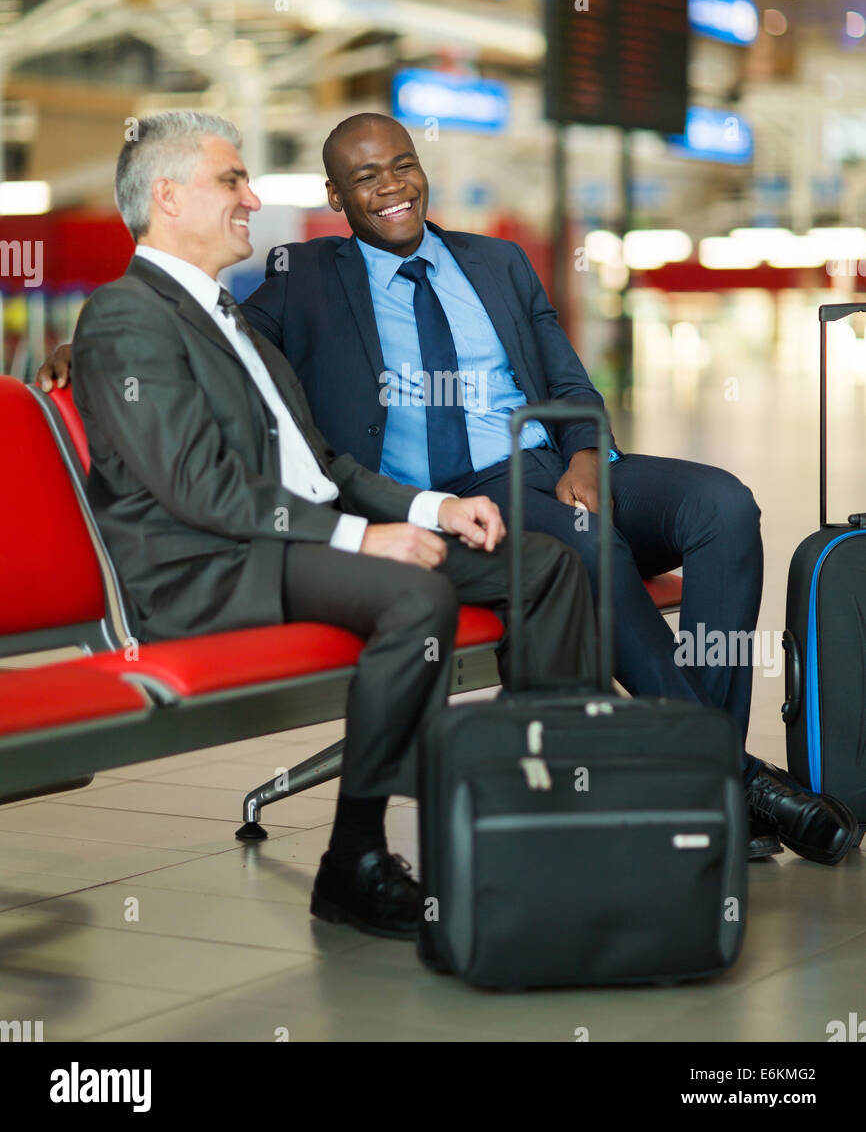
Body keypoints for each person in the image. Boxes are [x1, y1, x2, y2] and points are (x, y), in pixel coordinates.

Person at [40, 111, 860, 869]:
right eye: (365, 178)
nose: (391, 185)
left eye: (403, 166)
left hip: (552, 463)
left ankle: (709, 765)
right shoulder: (304, 278)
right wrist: (82, 345)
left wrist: (584, 448)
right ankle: (732, 781)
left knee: (723, 505)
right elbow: (191, 321)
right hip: (465, 486)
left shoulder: (496, 261)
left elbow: (569, 383)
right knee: (579, 546)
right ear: (334, 197)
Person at [64, 110, 596, 942]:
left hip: (290, 544)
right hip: (211, 565)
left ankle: (541, 814)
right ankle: (353, 859)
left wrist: (433, 509)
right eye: (232, 181)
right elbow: (197, 486)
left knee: (544, 562)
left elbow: (327, 467)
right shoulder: (127, 318)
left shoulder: (231, 319)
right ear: (167, 197)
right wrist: (356, 537)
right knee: (413, 594)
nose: (252, 197)